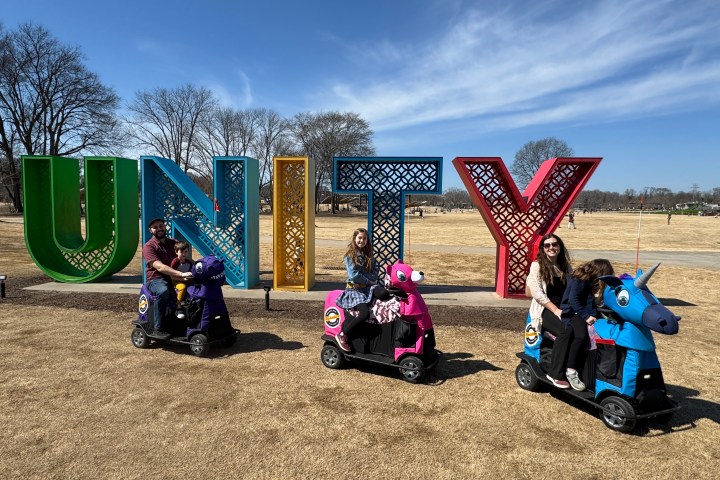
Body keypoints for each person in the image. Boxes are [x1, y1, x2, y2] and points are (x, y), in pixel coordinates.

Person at [547, 258, 615, 391]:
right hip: (572, 312)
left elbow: (588, 300)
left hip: (582, 310)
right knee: (580, 335)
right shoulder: (580, 280)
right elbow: (573, 300)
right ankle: (571, 370)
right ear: (598, 271)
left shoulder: (588, 280)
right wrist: (586, 316)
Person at [526, 234, 574, 388]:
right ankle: (555, 373)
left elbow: (573, 288)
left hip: (564, 308)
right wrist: (556, 311)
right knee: (564, 331)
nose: (551, 248)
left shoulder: (565, 266)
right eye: (547, 245)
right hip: (545, 309)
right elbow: (538, 294)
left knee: (581, 330)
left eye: (555, 244)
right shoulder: (537, 266)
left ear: (560, 246)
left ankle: (572, 368)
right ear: (543, 249)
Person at [142, 218, 193, 339]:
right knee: (163, 291)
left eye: (161, 226)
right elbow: (159, 267)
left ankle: (190, 321)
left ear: (165, 227)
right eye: (155, 227)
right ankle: (158, 328)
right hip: (157, 279)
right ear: (151, 230)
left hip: (175, 277)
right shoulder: (149, 247)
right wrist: (180, 274)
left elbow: (186, 259)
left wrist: (200, 267)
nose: (159, 229)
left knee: (199, 288)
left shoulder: (173, 243)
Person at [334, 228, 381, 352]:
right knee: (364, 313)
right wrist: (368, 280)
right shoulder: (350, 256)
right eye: (359, 238)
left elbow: (375, 273)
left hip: (367, 287)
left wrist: (367, 280)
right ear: (354, 239)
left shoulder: (369, 255)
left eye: (364, 238)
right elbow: (354, 276)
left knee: (384, 293)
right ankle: (343, 334)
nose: (362, 240)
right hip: (355, 291)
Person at [169, 241, 194, 319]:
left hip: (186, 279)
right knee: (182, 287)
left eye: (186, 252)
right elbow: (171, 276)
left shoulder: (188, 262)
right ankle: (178, 306)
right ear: (176, 252)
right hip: (176, 281)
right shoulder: (175, 261)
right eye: (181, 252)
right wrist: (182, 278)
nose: (184, 254)